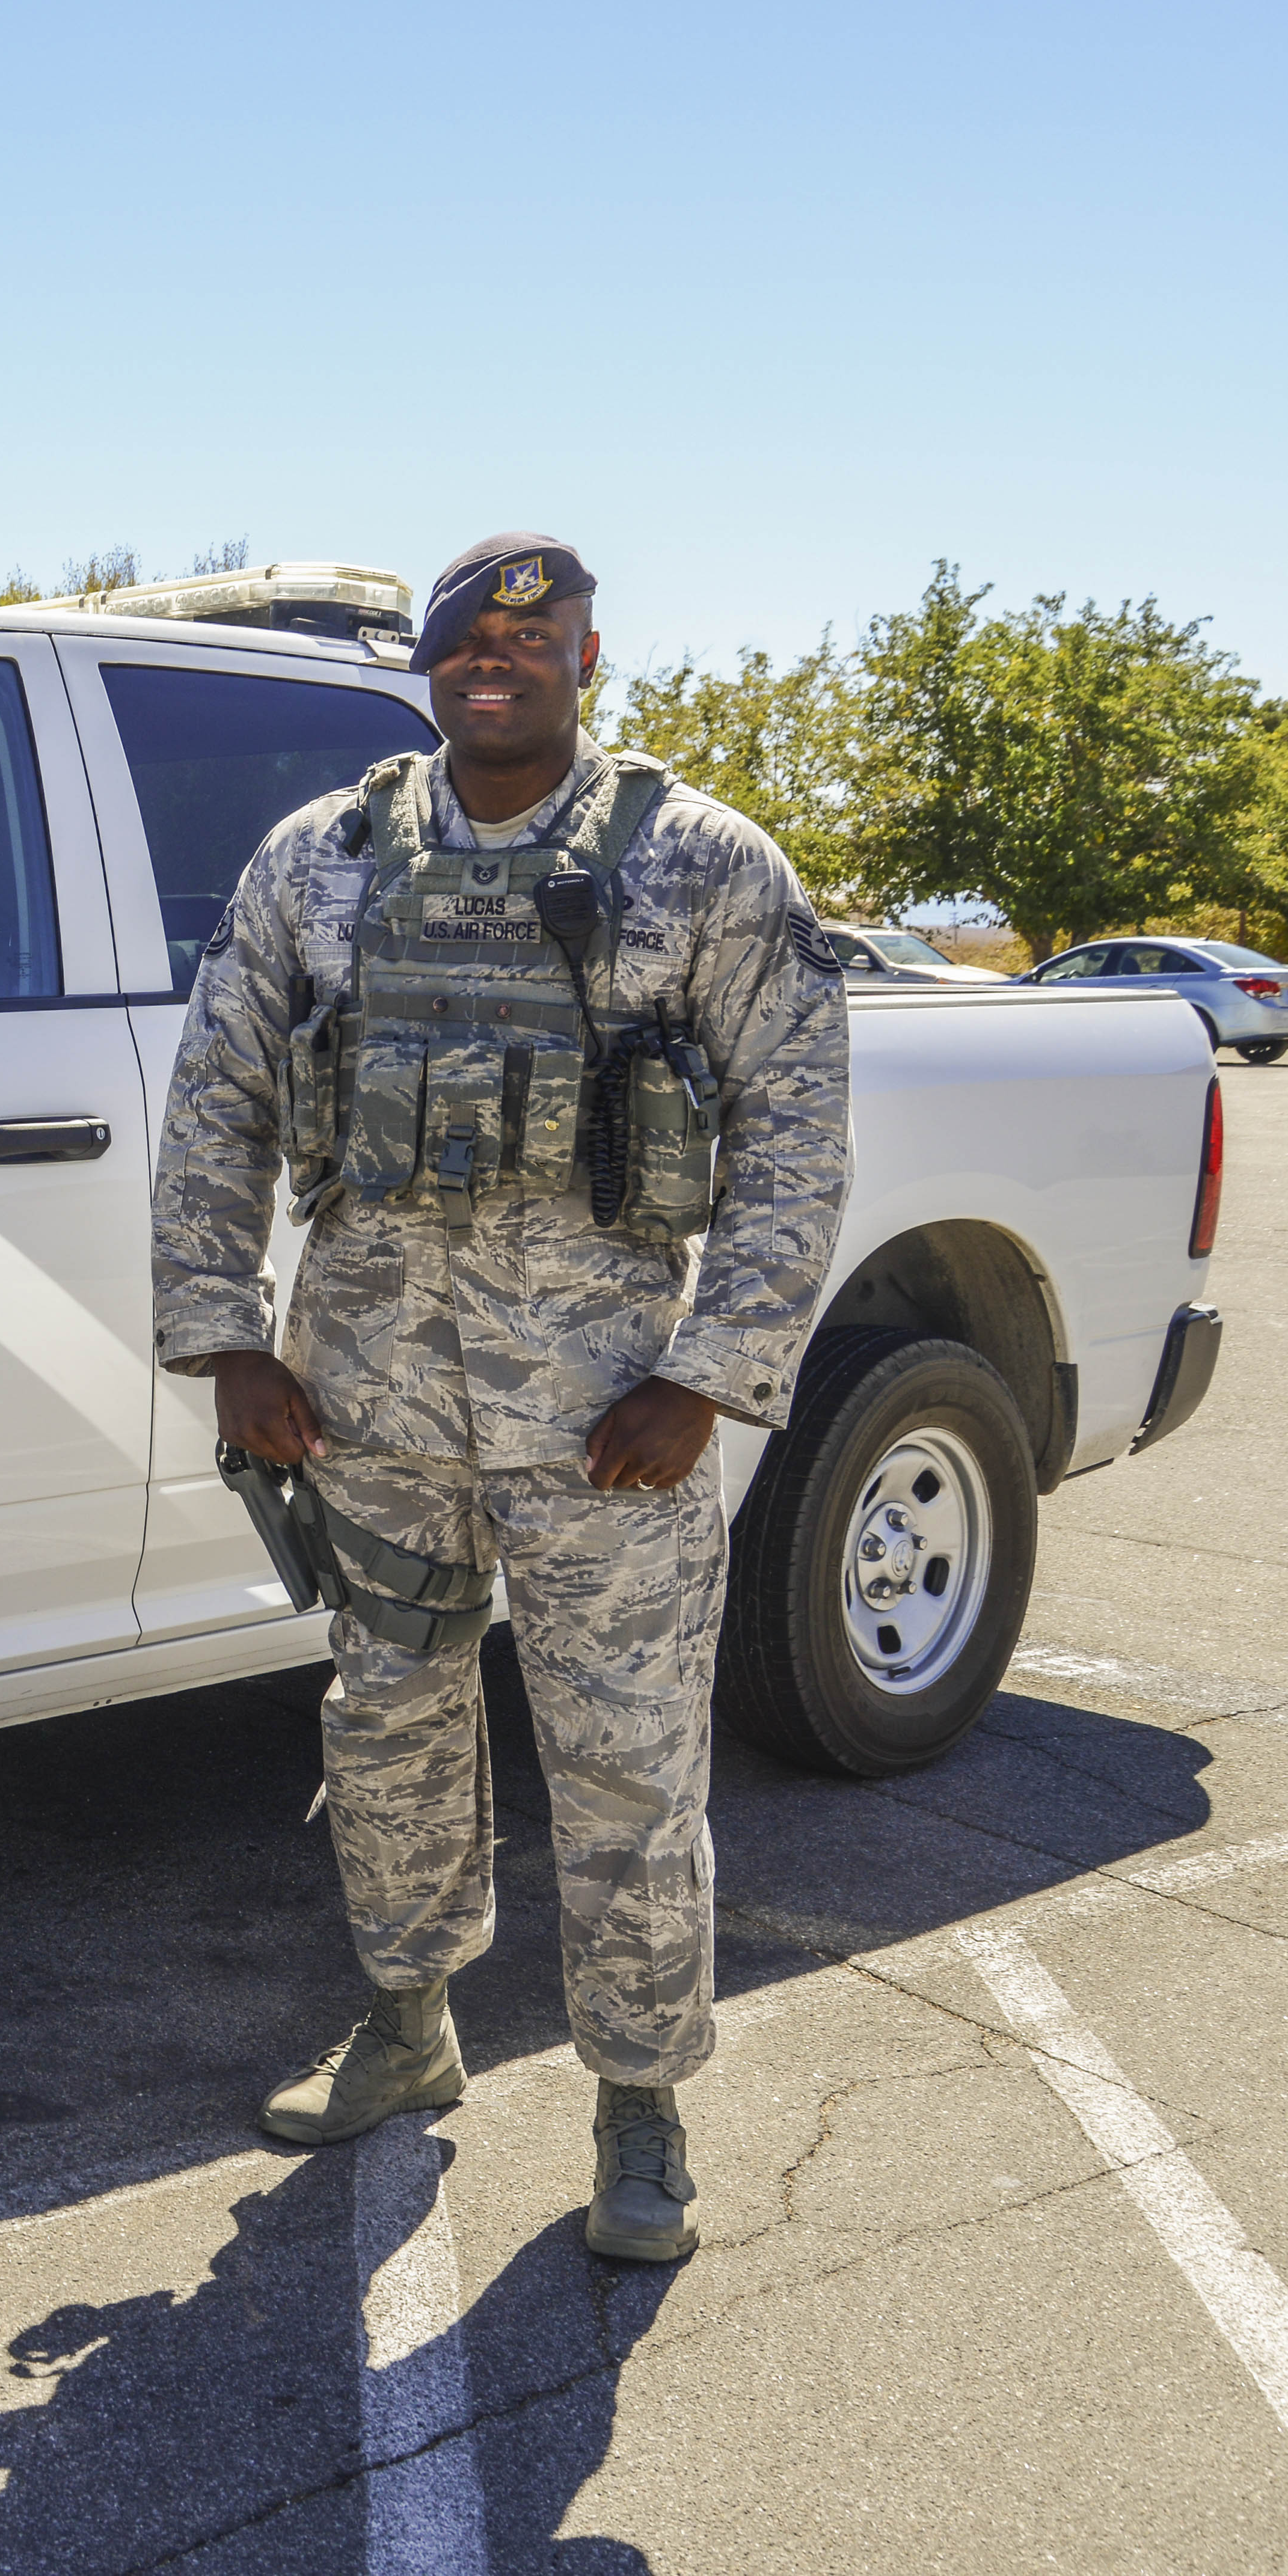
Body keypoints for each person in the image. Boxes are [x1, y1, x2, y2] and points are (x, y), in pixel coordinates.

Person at [150, 533, 851, 2261]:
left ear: (585, 660)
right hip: (363, 1388)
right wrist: (228, 1338)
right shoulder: (318, 862)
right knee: (384, 1721)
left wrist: (707, 1377)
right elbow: (221, 1100)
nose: (493, 663)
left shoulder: (697, 864)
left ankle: (638, 2108)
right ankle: (405, 2024)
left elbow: (795, 1127)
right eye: (468, 639)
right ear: (431, 664)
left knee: (621, 1756)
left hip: (601, 1404)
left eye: (528, 642)